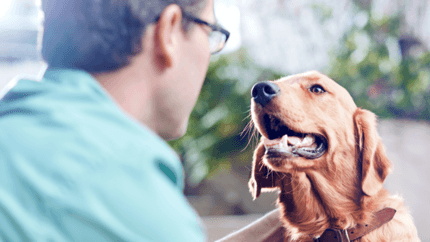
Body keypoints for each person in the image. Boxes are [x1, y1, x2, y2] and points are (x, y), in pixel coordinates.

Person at [0, 0, 284, 241]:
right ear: (169, 29)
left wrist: (281, 225)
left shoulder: (22, 135)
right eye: (210, 32)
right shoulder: (109, 170)